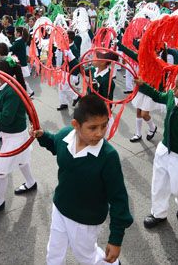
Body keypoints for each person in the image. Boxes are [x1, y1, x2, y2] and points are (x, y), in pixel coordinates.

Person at [30, 94, 133, 264]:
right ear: (75, 125)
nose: (100, 133)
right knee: (54, 253)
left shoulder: (108, 156)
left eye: (104, 126)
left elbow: (119, 198)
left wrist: (116, 239)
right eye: (93, 128)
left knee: (86, 257)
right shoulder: (65, 136)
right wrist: (42, 136)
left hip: (85, 219)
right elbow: (54, 143)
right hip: (60, 206)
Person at [134, 69, 178, 227]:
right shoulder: (172, 96)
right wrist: (143, 85)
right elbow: (158, 95)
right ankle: (158, 213)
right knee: (158, 184)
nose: (174, 90)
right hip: (164, 149)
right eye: (175, 85)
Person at [0, 56, 38, 215]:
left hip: (15, 137)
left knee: (0, 171)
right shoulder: (2, 85)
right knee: (22, 161)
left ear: (1, 73)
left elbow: (5, 118)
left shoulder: (11, 90)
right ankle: (31, 183)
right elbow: (1, 104)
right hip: (13, 135)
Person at [10, 27, 34, 96]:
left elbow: (11, 49)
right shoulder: (20, 41)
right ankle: (29, 92)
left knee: (20, 79)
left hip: (20, 64)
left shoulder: (19, 42)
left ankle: (27, 92)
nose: (14, 33)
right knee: (21, 79)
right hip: (20, 63)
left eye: (15, 31)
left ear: (18, 33)